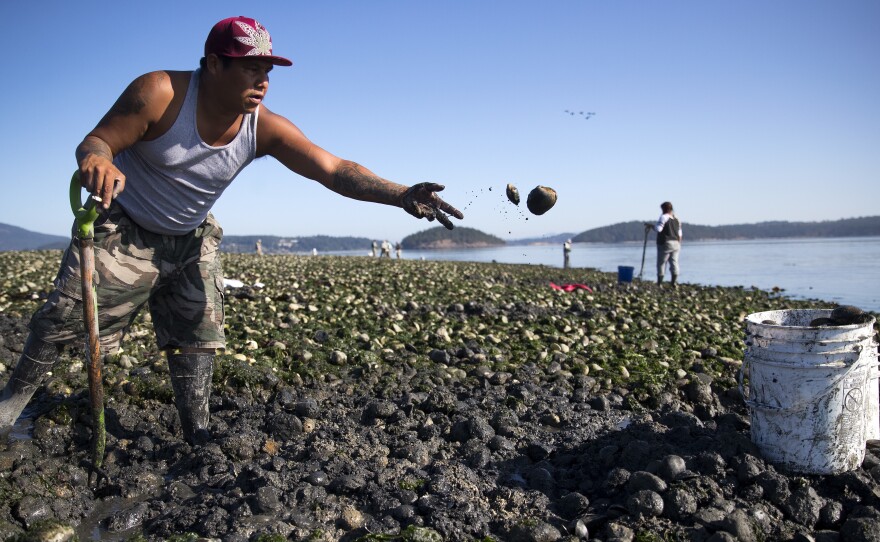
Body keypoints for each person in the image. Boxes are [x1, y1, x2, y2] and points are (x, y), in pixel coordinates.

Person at [0, 16, 462, 445]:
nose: (262, 81)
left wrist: (400, 194)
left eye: (268, 70)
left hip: (191, 237)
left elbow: (333, 168)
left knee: (199, 332)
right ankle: (11, 407)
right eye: (250, 68)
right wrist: (97, 159)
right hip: (126, 228)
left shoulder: (263, 129)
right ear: (215, 64)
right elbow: (98, 139)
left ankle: (196, 432)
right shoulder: (161, 93)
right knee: (62, 322)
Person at [645, 201, 682, 287]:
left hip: (665, 242)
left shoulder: (663, 217)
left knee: (661, 263)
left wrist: (651, 226)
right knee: (674, 262)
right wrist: (678, 244)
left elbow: (659, 229)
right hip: (676, 243)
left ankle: (660, 283)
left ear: (663, 209)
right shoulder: (677, 219)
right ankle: (674, 282)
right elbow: (680, 234)